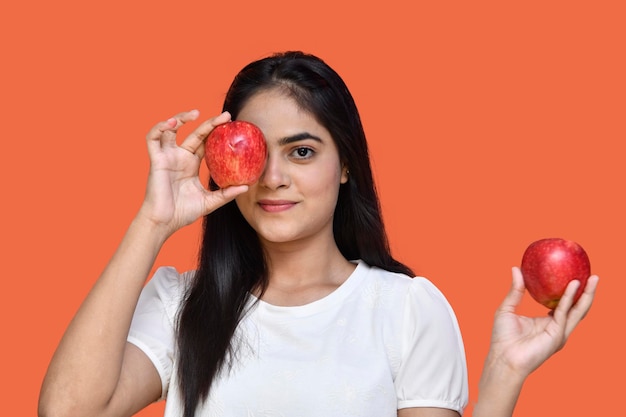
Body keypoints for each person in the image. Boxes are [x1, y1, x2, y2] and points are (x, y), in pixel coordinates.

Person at [38, 51, 598, 417]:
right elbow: (64, 413)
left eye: (302, 151)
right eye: (257, 150)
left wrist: (504, 375)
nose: (275, 177)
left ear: (346, 164)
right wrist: (153, 221)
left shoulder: (406, 310)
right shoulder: (185, 305)